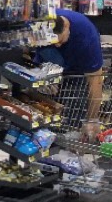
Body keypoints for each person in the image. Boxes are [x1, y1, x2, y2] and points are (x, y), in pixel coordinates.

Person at [36, 9, 105, 141]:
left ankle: (68, 141)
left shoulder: (87, 37)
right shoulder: (40, 24)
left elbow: (95, 81)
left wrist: (92, 119)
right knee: (44, 117)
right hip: (50, 66)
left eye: (60, 40)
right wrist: (41, 76)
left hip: (76, 72)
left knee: (74, 118)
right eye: (52, 41)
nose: (57, 45)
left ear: (67, 26)